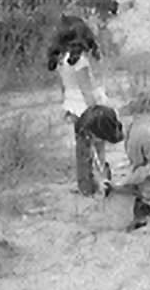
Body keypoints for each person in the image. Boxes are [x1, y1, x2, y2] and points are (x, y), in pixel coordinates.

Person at [79, 105, 150, 231]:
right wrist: (101, 180)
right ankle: (137, 209)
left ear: (104, 131)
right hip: (121, 190)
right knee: (114, 226)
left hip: (147, 187)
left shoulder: (138, 135)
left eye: (93, 135)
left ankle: (146, 206)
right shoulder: (98, 145)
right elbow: (97, 167)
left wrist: (136, 176)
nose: (91, 139)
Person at [47, 19, 109, 196]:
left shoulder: (62, 60)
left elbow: (66, 87)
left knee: (83, 148)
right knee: (98, 149)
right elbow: (86, 90)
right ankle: (100, 185)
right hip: (86, 108)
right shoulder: (79, 62)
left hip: (73, 107)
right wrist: (96, 110)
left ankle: (86, 185)